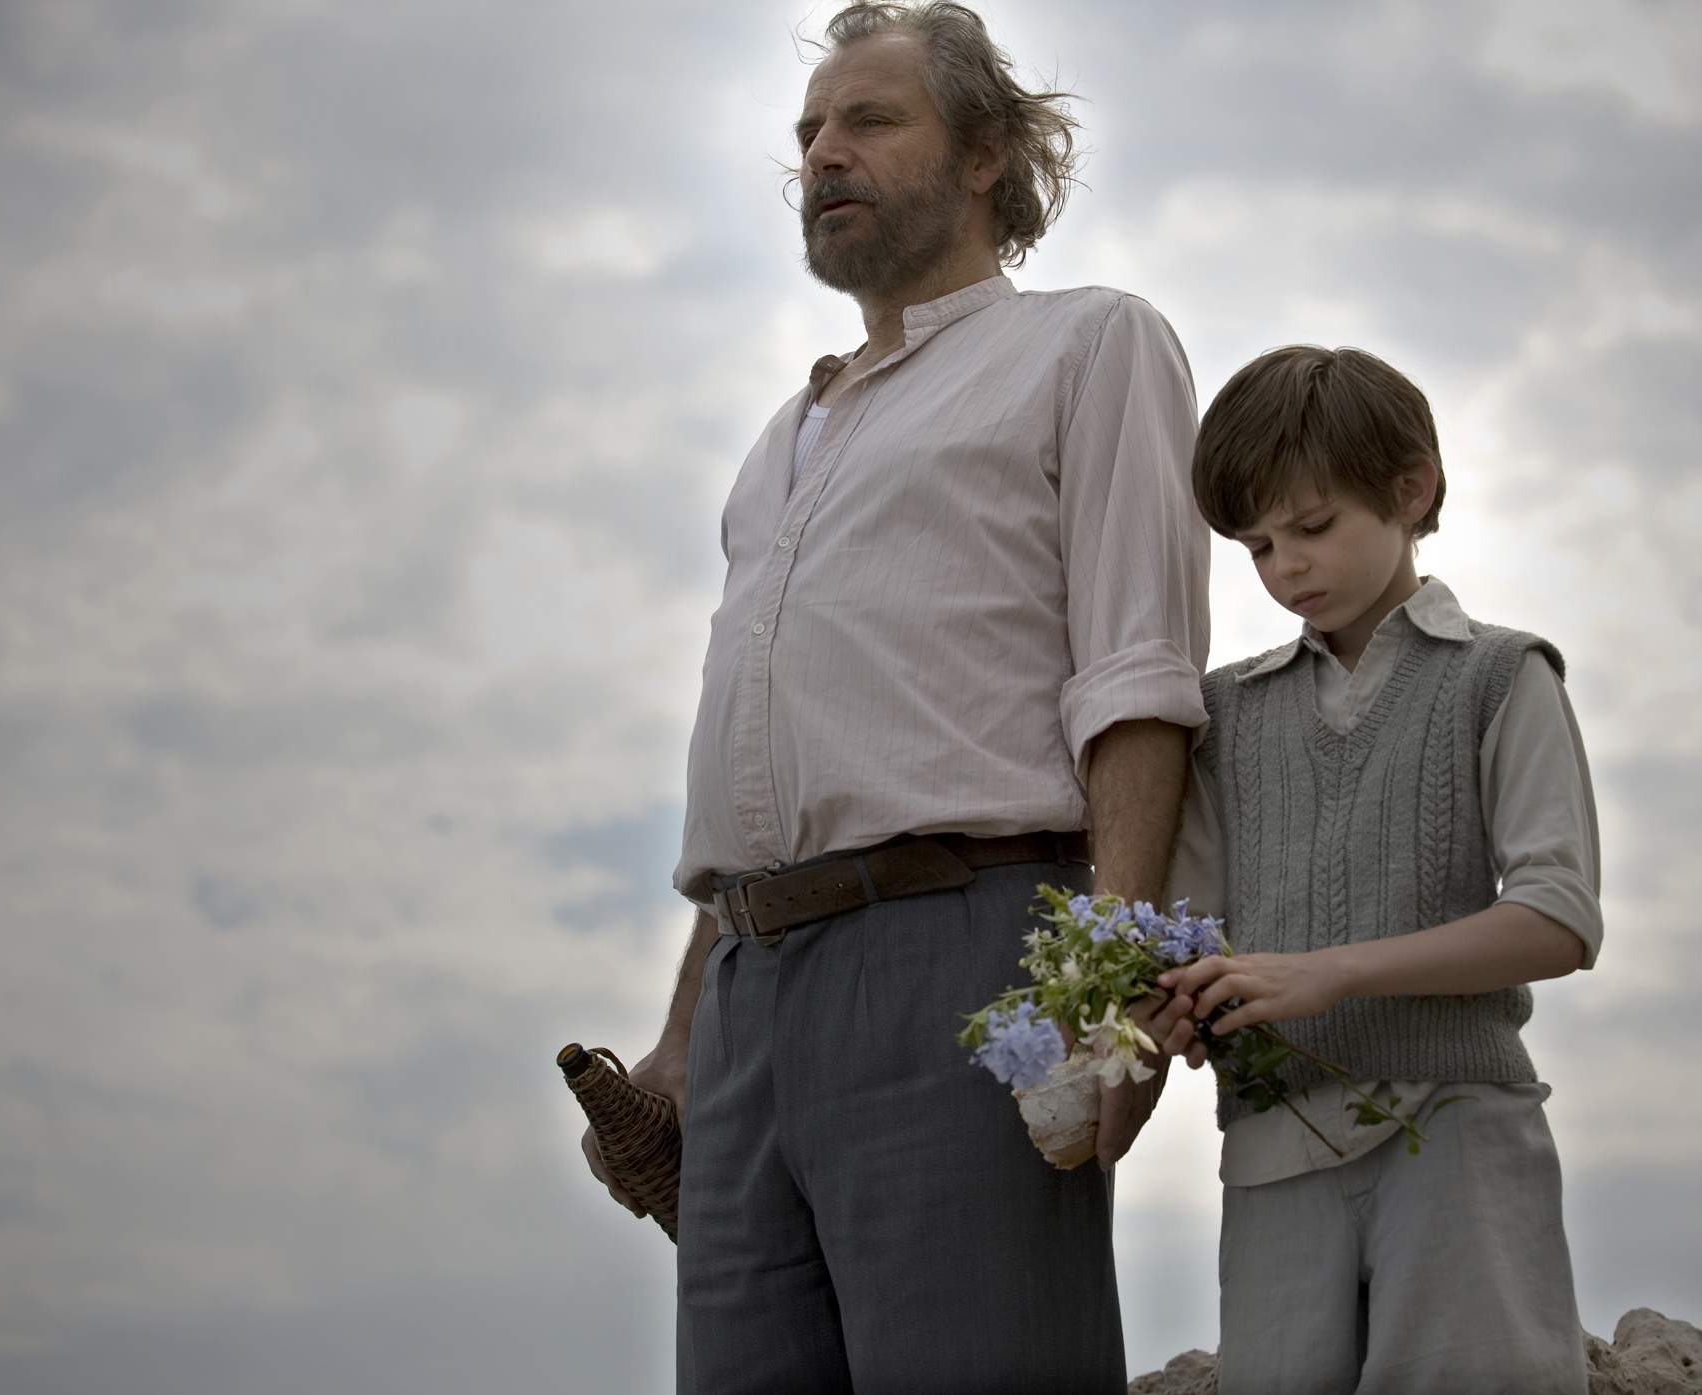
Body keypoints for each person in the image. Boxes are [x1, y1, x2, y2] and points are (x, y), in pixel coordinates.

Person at [578, 4, 1211, 1391]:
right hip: (749, 997)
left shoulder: (1088, 346)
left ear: (985, 151)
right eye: (808, 132)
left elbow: (1138, 680)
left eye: (868, 120)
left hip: (970, 958)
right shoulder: (779, 444)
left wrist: (1106, 1001)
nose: (823, 154)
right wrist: (685, 1038)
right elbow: (758, 760)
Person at [1158, 345, 1601, 1394]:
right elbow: (1189, 928)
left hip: (1455, 1130)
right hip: (1268, 1149)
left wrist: (1330, 971)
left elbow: (1558, 917)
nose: (1284, 569)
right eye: (1256, 546)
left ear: (1411, 491)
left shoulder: (1501, 673)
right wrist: (1170, 999)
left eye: (1311, 528)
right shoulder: (1222, 713)